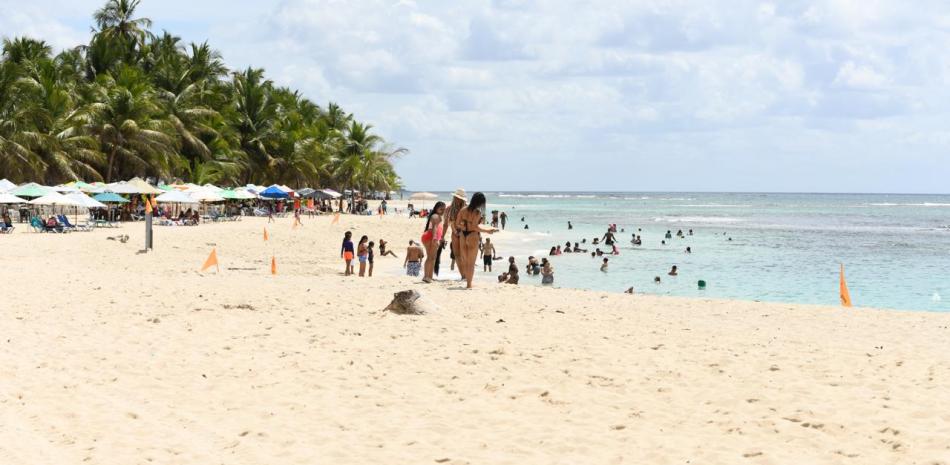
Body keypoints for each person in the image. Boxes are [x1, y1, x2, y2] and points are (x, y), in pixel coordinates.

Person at [455, 192, 494, 289]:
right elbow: (475, 227)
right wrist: (487, 231)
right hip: (472, 236)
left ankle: (468, 283)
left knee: (466, 262)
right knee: (471, 263)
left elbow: (457, 223)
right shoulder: (477, 212)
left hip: (463, 236)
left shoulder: (463, 210)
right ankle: (469, 284)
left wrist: (463, 226)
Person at [444, 189, 467, 279]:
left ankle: (467, 274)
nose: (457, 199)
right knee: (457, 255)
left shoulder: (467, 209)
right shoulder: (449, 209)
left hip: (465, 234)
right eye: (456, 197)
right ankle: (463, 275)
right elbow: (446, 224)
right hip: (454, 233)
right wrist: (442, 236)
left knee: (464, 255)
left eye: (459, 198)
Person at [421, 201, 445, 283]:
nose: (443, 211)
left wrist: (440, 238)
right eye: (441, 209)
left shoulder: (435, 216)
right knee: (431, 257)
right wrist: (435, 238)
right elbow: (435, 227)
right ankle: (427, 277)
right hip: (431, 237)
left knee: (431, 257)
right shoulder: (436, 216)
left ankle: (428, 276)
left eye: (444, 209)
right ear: (436, 208)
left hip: (428, 236)